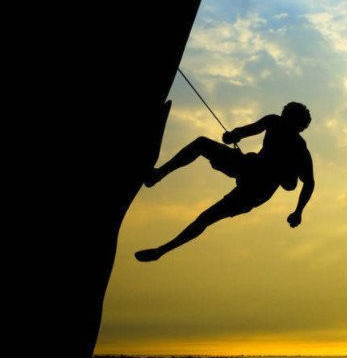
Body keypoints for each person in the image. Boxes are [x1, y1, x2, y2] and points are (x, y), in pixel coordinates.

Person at [135, 102, 315, 262]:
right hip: (248, 167)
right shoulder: (274, 122)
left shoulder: (300, 149)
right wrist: (234, 135)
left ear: (298, 127)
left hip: (257, 190)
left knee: (207, 217)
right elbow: (250, 129)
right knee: (201, 143)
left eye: (290, 122)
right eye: (285, 118)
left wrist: (298, 211)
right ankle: (157, 175)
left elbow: (309, 182)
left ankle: (161, 251)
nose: (285, 123)